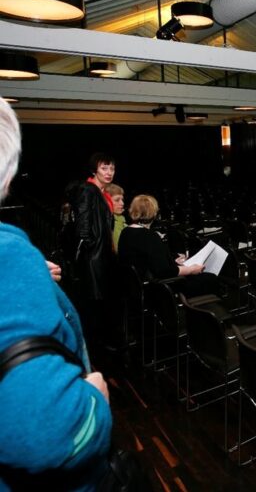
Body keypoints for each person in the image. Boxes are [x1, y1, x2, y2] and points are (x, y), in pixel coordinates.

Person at [0, 98, 112, 489]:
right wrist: (94, 402)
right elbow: (45, 433)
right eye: (104, 166)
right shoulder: (9, 256)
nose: (110, 171)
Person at [118, 194, 205, 281]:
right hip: (156, 285)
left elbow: (143, 259)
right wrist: (191, 270)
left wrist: (173, 260)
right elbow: (163, 271)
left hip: (133, 283)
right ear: (155, 213)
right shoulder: (150, 236)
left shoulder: (125, 232)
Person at [73, 152, 116, 302]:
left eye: (112, 169)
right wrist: (91, 246)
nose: (109, 173)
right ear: (94, 170)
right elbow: (83, 223)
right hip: (94, 255)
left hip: (101, 252)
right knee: (95, 300)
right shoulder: (88, 189)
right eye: (104, 168)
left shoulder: (102, 193)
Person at [105, 182, 126, 251]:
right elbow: (118, 249)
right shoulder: (107, 222)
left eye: (122, 200)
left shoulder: (121, 220)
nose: (122, 203)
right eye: (117, 200)